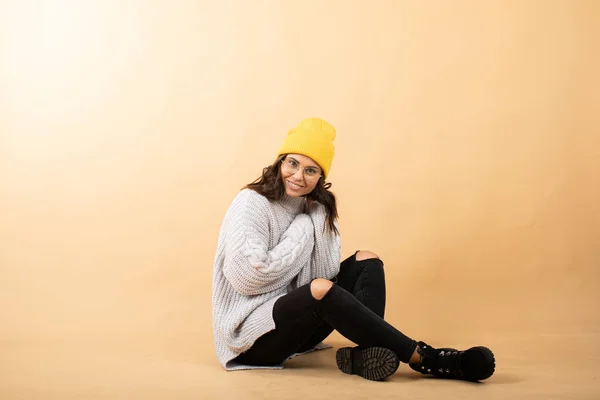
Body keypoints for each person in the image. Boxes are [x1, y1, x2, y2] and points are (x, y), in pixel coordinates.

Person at [211, 117, 496, 381]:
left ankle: (369, 353)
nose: (298, 176)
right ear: (279, 162)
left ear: (321, 177)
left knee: (367, 260)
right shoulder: (252, 202)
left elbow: (325, 273)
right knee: (321, 289)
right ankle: (425, 357)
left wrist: (317, 215)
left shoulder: (312, 208)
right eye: (292, 163)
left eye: (311, 170)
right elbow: (247, 276)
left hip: (298, 328)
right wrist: (302, 229)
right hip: (252, 338)